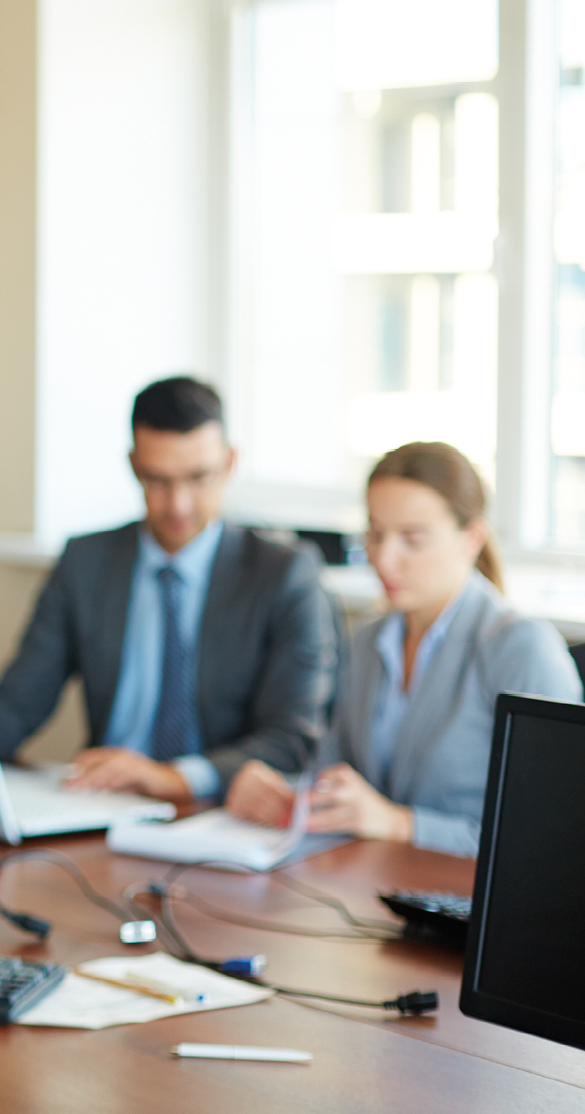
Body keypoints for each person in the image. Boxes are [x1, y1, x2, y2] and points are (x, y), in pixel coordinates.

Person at [228, 441, 583, 856]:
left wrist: (400, 824)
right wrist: (284, 795)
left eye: (412, 540)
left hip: (462, 903)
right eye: (375, 535)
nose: (384, 559)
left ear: (471, 538)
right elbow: (334, 776)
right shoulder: (368, 642)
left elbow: (553, 840)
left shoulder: (520, 648)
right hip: (373, 887)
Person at [0, 377, 336, 804]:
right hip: (105, 806)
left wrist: (173, 778)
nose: (177, 504)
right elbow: (16, 704)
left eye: (198, 478)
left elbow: (293, 738)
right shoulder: (85, 562)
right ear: (133, 465)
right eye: (157, 480)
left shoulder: (284, 573)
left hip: (218, 811)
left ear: (230, 463)